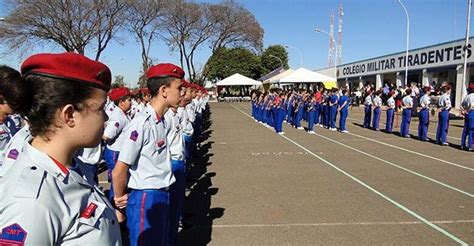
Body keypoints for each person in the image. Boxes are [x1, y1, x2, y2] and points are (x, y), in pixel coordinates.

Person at [0, 52, 121, 245]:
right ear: (70, 115)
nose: (106, 119)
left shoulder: (71, 167)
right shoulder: (32, 203)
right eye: (100, 108)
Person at [112, 63, 184, 246]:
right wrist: (119, 205)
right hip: (147, 197)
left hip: (163, 194)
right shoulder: (141, 124)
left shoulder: (161, 121)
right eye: (179, 88)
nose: (182, 92)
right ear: (164, 90)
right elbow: (119, 169)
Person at [460, 83, 474, 151]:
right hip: (472, 112)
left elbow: (462, 105)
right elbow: (472, 106)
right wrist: (467, 111)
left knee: (465, 129)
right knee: (472, 130)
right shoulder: (472, 96)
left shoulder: (466, 96)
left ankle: (463, 144)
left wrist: (464, 111)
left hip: (468, 114)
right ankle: (471, 145)